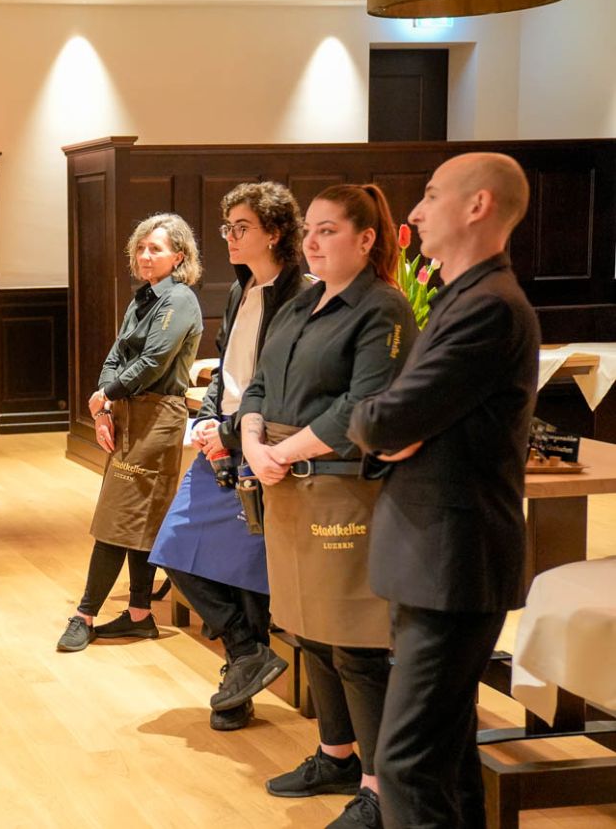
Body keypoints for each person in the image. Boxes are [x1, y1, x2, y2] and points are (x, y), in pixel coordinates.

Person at [347, 154, 537, 829]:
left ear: (478, 205)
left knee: (405, 765)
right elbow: (395, 418)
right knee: (448, 760)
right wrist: (390, 423)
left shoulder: (489, 306)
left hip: (452, 560)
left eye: (430, 195)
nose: (416, 212)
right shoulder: (464, 296)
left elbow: (382, 418)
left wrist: (382, 423)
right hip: (432, 556)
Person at [237, 184, 416, 829]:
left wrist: (282, 453)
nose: (311, 241)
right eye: (308, 230)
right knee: (307, 628)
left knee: (355, 641)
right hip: (284, 483)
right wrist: (252, 440)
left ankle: (379, 788)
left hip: (344, 487)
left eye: (328, 230)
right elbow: (259, 383)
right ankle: (336, 754)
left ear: (366, 240)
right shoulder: (300, 302)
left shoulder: (382, 308)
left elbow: (362, 405)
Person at [149, 182, 308, 730]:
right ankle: (246, 653)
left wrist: (233, 432)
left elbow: (282, 385)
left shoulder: (300, 295)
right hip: (224, 434)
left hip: (264, 442)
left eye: (241, 227)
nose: (230, 238)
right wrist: (208, 417)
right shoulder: (242, 289)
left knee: (246, 572)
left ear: (276, 232)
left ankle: (239, 688)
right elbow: (228, 368)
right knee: (174, 546)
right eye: (227, 228)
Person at [56, 213, 203, 653]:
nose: (145, 256)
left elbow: (154, 362)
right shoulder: (143, 298)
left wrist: (106, 395)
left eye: (156, 249)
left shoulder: (180, 300)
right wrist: (104, 406)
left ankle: (85, 614)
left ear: (179, 256)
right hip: (127, 412)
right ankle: (140, 615)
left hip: (158, 417)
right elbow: (115, 356)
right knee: (136, 518)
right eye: (140, 248)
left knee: (117, 518)